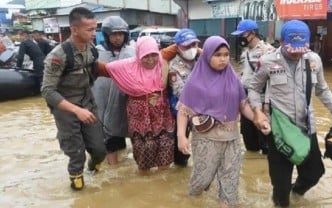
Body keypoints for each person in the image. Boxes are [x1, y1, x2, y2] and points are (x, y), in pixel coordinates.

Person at [248, 20, 332, 207]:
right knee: (280, 184)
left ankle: (296, 192)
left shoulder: (314, 61)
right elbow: (253, 88)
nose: (296, 52)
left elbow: (323, 90)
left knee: (314, 174)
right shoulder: (268, 61)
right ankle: (282, 198)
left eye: (301, 48)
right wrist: (257, 112)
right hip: (279, 130)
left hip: (306, 128)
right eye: (292, 47)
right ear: (281, 41)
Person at [176, 36, 254, 208]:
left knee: (230, 184)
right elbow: (183, 111)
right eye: (218, 54)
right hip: (206, 140)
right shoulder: (195, 82)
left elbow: (243, 105)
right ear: (208, 55)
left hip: (232, 139)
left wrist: (257, 119)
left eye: (226, 54)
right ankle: (191, 200)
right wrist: (181, 136)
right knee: (201, 181)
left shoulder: (233, 78)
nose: (223, 59)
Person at [41, 7, 106, 191]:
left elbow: (95, 69)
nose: (94, 33)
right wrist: (76, 110)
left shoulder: (91, 50)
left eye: (96, 28)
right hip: (66, 108)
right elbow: (47, 91)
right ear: (74, 29)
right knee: (77, 154)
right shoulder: (57, 56)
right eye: (90, 29)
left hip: (87, 102)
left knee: (100, 149)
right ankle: (78, 190)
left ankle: (94, 169)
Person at [102, 36, 175, 173]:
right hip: (140, 119)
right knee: (144, 154)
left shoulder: (163, 63)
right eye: (146, 56)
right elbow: (104, 68)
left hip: (162, 117)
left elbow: (181, 47)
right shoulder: (127, 67)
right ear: (139, 55)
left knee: (165, 148)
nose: (150, 59)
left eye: (154, 55)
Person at [91, 16, 135, 165]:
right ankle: (114, 171)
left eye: (120, 34)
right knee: (110, 141)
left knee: (132, 136)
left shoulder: (132, 52)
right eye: (114, 35)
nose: (117, 38)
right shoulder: (96, 53)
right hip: (103, 105)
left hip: (126, 104)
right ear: (106, 35)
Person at [231, 19, 274, 154]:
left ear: (252, 33)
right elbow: (246, 74)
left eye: (242, 34)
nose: (240, 38)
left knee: (264, 137)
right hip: (246, 99)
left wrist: (267, 103)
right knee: (248, 137)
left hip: (261, 99)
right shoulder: (246, 52)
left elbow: (272, 80)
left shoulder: (267, 51)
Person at [167, 28, 200, 167]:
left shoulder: (203, 60)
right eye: (186, 46)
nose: (191, 48)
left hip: (203, 110)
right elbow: (181, 91)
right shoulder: (173, 66)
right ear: (178, 47)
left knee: (203, 144)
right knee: (180, 151)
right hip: (180, 111)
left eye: (194, 45)